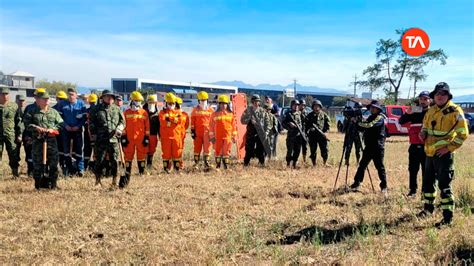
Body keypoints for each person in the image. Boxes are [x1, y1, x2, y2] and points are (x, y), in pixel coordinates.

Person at [418, 82, 469, 227]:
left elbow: (463, 134)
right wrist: (423, 133)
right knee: (428, 183)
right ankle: (428, 209)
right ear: (434, 96)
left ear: (448, 96)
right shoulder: (431, 110)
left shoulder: (455, 111)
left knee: (444, 185)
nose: (440, 96)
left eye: (443, 94)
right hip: (429, 153)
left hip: (444, 155)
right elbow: (425, 126)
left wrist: (449, 148)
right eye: (437, 94)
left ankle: (447, 218)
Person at [23, 89, 63, 189]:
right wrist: (36, 127)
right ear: (38, 100)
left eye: (47, 99)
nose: (46, 101)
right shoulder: (32, 112)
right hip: (38, 142)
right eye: (44, 99)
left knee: (53, 164)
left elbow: (61, 125)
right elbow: (26, 124)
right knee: (38, 164)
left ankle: (53, 184)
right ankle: (38, 185)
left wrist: (52, 129)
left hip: (51, 142)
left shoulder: (54, 112)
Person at [350, 100, 388, 194]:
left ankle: (384, 186)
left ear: (378, 109)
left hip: (377, 147)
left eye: (374, 107)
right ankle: (357, 183)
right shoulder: (370, 117)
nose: (372, 109)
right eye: (371, 107)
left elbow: (369, 125)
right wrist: (355, 122)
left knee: (379, 167)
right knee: (362, 165)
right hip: (369, 146)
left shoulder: (379, 118)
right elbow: (362, 128)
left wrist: (358, 123)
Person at [89, 90, 125, 186]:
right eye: (107, 96)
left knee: (114, 160)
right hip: (101, 139)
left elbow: (122, 121)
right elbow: (91, 123)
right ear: (103, 98)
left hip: (113, 139)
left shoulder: (117, 109)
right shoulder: (96, 109)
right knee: (99, 160)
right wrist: (94, 135)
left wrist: (119, 129)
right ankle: (98, 180)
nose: (110, 98)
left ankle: (114, 180)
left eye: (111, 97)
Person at [399, 91, 431, 197]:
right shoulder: (414, 110)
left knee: (426, 171)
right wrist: (407, 113)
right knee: (412, 170)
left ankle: (424, 192)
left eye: (425, 99)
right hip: (414, 146)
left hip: (427, 147)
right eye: (421, 99)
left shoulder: (433, 112)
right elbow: (401, 121)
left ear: (429, 100)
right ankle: (412, 191)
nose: (423, 101)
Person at [120, 91, 149, 187]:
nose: (138, 103)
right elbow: (123, 125)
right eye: (137, 100)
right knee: (128, 156)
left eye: (140, 101)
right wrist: (123, 137)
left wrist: (146, 137)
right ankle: (127, 172)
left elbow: (147, 126)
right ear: (132, 100)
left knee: (141, 154)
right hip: (129, 139)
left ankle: (142, 171)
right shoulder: (126, 112)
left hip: (140, 138)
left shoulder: (144, 112)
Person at [57, 88, 87, 177]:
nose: (70, 96)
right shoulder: (62, 104)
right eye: (69, 94)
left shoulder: (81, 104)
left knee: (79, 150)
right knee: (66, 150)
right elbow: (59, 118)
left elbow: (84, 118)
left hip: (78, 130)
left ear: (76, 95)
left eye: (72, 94)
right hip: (66, 130)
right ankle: (68, 168)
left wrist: (78, 126)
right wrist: (65, 126)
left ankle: (80, 169)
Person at [241, 94, 272, 167]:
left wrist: (266, 132)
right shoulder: (248, 110)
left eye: (257, 101)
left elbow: (268, 123)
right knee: (249, 150)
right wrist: (250, 120)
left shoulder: (262, 111)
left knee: (260, 150)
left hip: (260, 134)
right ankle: (246, 164)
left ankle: (261, 164)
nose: (256, 103)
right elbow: (242, 121)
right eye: (254, 101)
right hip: (250, 133)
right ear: (252, 101)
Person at [209, 95, 237, 169]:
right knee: (217, 152)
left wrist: (234, 136)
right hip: (217, 137)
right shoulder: (214, 114)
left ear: (227, 104)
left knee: (226, 151)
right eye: (221, 104)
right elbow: (211, 126)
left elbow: (234, 127)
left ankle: (226, 166)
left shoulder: (231, 114)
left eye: (225, 104)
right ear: (219, 104)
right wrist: (211, 137)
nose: (223, 105)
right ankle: (217, 166)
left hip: (228, 137)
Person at [0, 86, 22, 177]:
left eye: (7, 94)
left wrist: (19, 133)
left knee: (13, 154)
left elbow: (18, 121)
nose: (5, 96)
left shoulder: (14, 106)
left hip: (10, 134)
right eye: (2, 94)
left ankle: (15, 173)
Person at [159, 92, 184, 173]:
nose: (171, 105)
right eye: (169, 103)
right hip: (166, 137)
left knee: (177, 153)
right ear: (166, 103)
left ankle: (177, 169)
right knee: (166, 154)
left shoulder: (178, 112)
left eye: (173, 103)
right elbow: (163, 122)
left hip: (176, 136)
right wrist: (173, 120)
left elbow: (179, 121)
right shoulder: (162, 112)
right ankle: (166, 169)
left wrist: (169, 119)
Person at [191, 91, 214, 168]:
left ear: (207, 100)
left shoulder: (211, 110)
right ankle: (196, 163)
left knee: (207, 148)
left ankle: (206, 163)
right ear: (198, 100)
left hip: (208, 133)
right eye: (201, 100)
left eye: (204, 100)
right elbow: (192, 121)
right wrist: (192, 131)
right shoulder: (195, 110)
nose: (203, 102)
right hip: (198, 133)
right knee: (197, 147)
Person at [305, 100, 330, 166]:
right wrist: (310, 129)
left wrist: (326, 132)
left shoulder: (324, 115)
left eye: (318, 106)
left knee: (325, 149)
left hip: (322, 135)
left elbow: (328, 124)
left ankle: (325, 162)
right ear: (313, 107)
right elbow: (306, 126)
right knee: (313, 150)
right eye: (315, 106)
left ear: (320, 107)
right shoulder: (309, 116)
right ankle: (314, 164)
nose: (316, 108)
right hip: (313, 136)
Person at [282, 100, 305, 168]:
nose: (296, 106)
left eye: (297, 105)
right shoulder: (288, 114)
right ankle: (288, 163)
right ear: (291, 106)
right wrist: (289, 125)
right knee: (290, 151)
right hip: (291, 136)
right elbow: (283, 123)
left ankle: (294, 163)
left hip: (298, 135)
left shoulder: (300, 114)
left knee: (297, 150)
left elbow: (303, 123)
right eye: (295, 105)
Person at [53, 90, 68, 175]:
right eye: (60, 99)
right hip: (56, 133)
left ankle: (65, 167)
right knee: (57, 151)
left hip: (66, 133)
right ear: (57, 99)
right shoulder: (53, 109)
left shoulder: (67, 108)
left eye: (63, 99)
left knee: (66, 151)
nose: (62, 101)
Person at [143, 95, 160, 169]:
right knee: (144, 150)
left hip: (154, 134)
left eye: (153, 102)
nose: (151, 103)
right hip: (144, 135)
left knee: (152, 150)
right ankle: (143, 166)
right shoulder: (142, 111)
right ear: (147, 102)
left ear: (156, 103)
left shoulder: (158, 112)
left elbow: (159, 125)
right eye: (150, 102)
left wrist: (160, 135)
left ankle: (149, 165)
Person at [175, 97, 189, 169]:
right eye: (177, 104)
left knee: (180, 150)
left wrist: (182, 131)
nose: (178, 106)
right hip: (174, 135)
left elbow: (186, 125)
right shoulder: (172, 114)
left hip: (181, 136)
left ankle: (180, 165)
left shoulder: (185, 114)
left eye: (180, 104)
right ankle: (170, 166)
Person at [14, 94, 27, 172]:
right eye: (20, 101)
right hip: (16, 134)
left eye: (23, 101)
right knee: (16, 152)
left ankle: (29, 169)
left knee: (28, 151)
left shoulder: (27, 109)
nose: (21, 102)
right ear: (16, 100)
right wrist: (18, 134)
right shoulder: (14, 110)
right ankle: (15, 170)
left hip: (26, 134)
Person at [298, 99, 309, 163]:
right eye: (301, 105)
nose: (303, 106)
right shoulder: (296, 113)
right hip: (298, 133)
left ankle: (304, 160)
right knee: (297, 147)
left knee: (305, 147)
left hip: (305, 132)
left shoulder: (306, 113)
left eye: (304, 105)